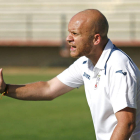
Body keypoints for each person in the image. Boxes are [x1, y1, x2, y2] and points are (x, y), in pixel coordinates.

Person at [0, 9, 140, 140]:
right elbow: (48, 89)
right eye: (69, 33)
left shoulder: (118, 66)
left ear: (96, 39)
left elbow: (127, 124)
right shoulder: (86, 62)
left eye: (75, 33)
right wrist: (5, 88)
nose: (68, 38)